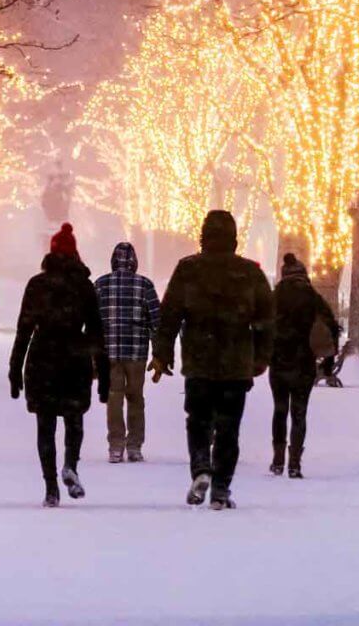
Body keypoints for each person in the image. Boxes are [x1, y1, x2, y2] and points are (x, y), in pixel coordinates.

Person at [149, 210, 274, 510]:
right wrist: (261, 357)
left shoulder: (188, 269)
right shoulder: (249, 273)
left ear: (203, 236)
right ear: (234, 238)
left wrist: (162, 354)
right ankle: (220, 488)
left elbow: (169, 315)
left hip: (199, 360)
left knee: (198, 421)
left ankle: (202, 467)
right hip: (236, 363)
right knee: (230, 427)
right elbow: (267, 319)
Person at [9, 222, 110, 508]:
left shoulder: (37, 286)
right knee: (74, 419)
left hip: (42, 359)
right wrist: (103, 376)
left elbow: (23, 330)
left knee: (45, 425)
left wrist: (15, 370)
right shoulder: (84, 287)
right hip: (75, 359)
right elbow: (96, 333)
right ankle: (71, 465)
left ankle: (51, 486)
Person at [269, 252, 339, 478]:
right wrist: (328, 363)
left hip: (279, 362)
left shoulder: (275, 295)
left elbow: (259, 325)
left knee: (280, 410)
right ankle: (295, 462)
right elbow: (332, 327)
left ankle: (278, 458)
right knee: (299, 413)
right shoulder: (312, 296)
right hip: (303, 362)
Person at [95, 242, 160, 463]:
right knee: (135, 398)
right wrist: (159, 353)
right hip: (136, 352)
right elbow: (156, 322)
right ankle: (134, 446)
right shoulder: (145, 285)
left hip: (109, 352)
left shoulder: (101, 285)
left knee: (114, 398)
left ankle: (115, 445)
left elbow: (93, 322)